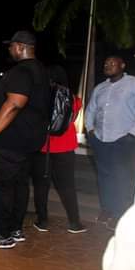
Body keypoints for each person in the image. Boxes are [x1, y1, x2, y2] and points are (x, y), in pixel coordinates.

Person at [0, 30, 51, 250]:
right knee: (20, 185)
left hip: (11, 142)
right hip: (29, 141)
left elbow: (15, 103)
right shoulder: (40, 70)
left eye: (11, 46)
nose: (9, 50)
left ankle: (1, 235)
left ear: (20, 47)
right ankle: (15, 229)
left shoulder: (21, 71)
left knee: (2, 187)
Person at [85, 55, 135, 230]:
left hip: (123, 140)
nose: (107, 65)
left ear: (122, 65)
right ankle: (107, 209)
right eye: (106, 63)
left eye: (112, 63)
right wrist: (90, 130)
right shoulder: (100, 88)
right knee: (104, 176)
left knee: (121, 177)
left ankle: (120, 214)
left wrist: (132, 134)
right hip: (100, 139)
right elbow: (90, 110)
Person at [30, 65, 86, 234]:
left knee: (41, 185)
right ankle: (75, 222)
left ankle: (42, 221)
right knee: (67, 185)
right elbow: (72, 118)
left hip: (43, 145)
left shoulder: (40, 96)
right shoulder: (74, 99)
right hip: (65, 146)